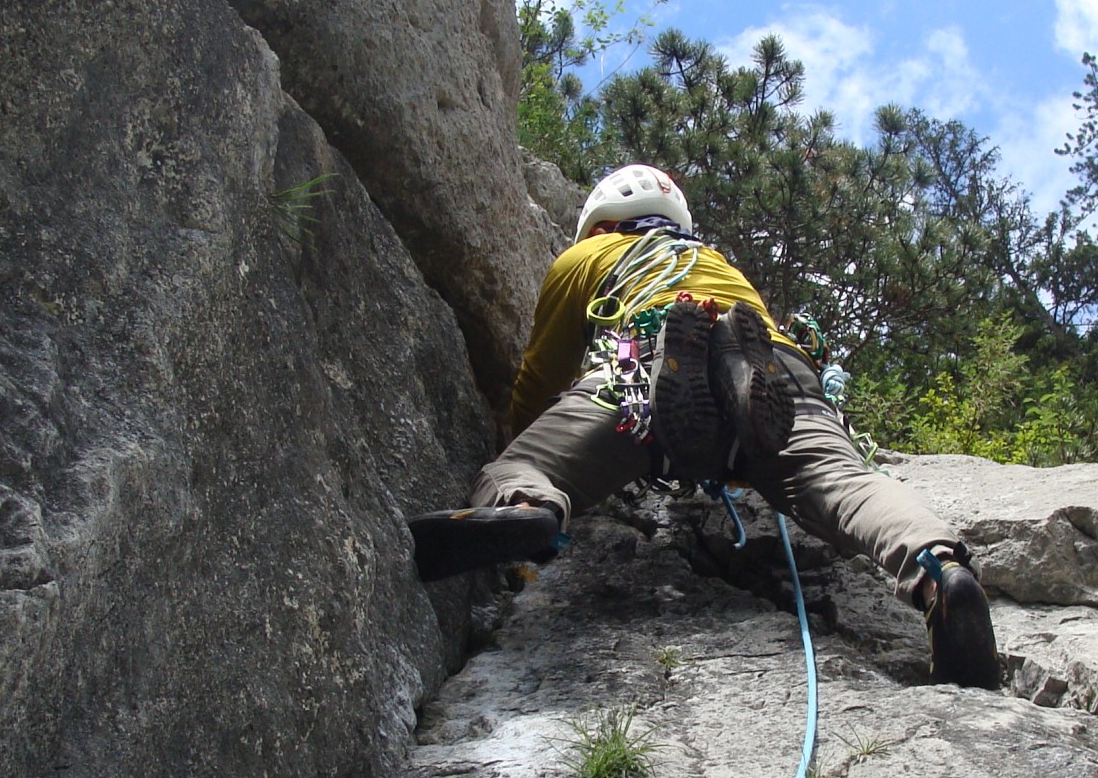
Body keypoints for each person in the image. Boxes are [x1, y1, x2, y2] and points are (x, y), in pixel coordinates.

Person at [410, 164, 1001, 688]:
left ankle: (526, 507)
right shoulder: (720, 264)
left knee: (523, 466)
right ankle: (938, 570)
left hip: (641, 362)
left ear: (598, 224)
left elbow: (542, 374)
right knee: (844, 481)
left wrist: (528, 444)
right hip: (780, 368)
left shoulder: (587, 256)